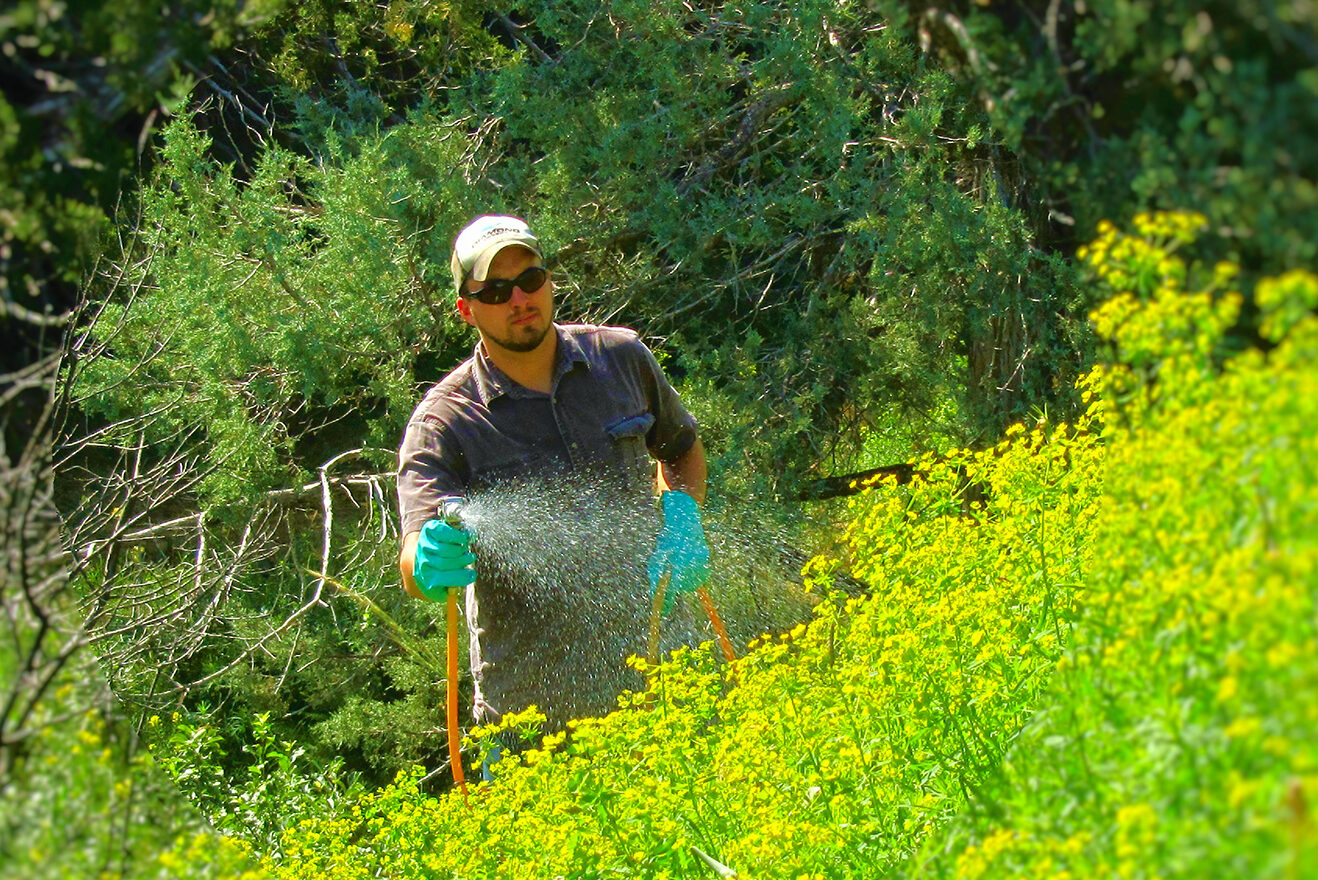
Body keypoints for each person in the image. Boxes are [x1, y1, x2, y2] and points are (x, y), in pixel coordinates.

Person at [396, 214, 711, 742]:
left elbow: (681, 451)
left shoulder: (623, 359)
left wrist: (684, 514)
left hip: (666, 674)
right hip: (531, 722)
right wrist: (428, 562)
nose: (519, 299)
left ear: (549, 282)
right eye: (496, 291)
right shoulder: (443, 422)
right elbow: (412, 562)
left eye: (530, 280)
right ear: (466, 309)